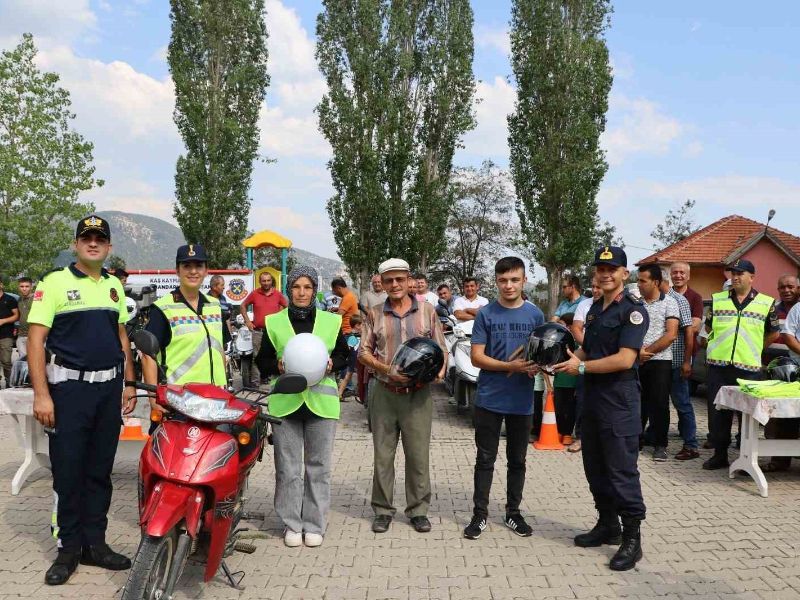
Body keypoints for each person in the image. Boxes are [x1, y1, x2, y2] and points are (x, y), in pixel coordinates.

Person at [27, 214, 136, 585]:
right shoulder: (54, 283)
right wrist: (42, 394)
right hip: (69, 391)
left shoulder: (113, 287)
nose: (93, 244)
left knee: (99, 471)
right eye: (86, 238)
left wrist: (130, 383)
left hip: (108, 392)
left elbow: (122, 336)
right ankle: (68, 549)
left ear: (108, 247)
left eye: (100, 239)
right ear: (76, 244)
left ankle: (96, 544)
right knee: (69, 471)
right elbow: (36, 340)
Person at [554, 246, 649, 572]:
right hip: (592, 401)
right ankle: (607, 525)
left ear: (625, 274)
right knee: (595, 468)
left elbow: (626, 359)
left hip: (619, 403)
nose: (605, 274)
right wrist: (571, 360)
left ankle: (632, 540)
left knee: (621, 471)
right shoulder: (593, 309)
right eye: (600, 269)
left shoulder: (633, 311)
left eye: (612, 269)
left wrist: (581, 369)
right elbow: (586, 348)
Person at [255, 266, 349, 547]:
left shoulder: (331, 322)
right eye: (296, 287)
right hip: (286, 404)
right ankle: (291, 523)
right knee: (288, 467)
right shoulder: (274, 322)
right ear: (289, 289)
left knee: (318, 466)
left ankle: (315, 524)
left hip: (322, 403)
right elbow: (263, 361)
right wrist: (278, 365)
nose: (302, 292)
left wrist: (334, 363)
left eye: (307, 287)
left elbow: (345, 354)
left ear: (314, 290)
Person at [358, 258, 447, 534]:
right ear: (382, 283)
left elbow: (441, 349)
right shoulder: (374, 313)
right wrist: (388, 370)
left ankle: (418, 510)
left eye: (400, 279)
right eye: (389, 280)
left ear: (409, 280)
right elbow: (363, 352)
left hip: (418, 396)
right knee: (383, 456)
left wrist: (439, 372)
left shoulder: (428, 311)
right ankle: (383, 510)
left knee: (418, 455)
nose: (395, 285)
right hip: (385, 393)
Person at [463, 257, 544, 540]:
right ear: (496, 282)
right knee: (485, 459)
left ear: (523, 281)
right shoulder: (486, 314)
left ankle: (513, 513)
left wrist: (538, 365)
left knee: (517, 460)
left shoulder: (535, 316)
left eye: (514, 280)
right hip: (489, 398)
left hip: (522, 401)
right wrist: (510, 366)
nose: (508, 285)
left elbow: (541, 354)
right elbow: (477, 357)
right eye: (503, 280)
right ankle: (479, 515)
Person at [702, 259, 779, 470]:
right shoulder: (717, 300)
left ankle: (746, 458)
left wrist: (755, 348)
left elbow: (773, 333)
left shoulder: (766, 302)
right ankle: (720, 454)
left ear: (752, 277)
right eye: (733, 273)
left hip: (748, 367)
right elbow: (708, 329)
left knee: (746, 415)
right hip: (719, 365)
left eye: (740, 273)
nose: (735, 277)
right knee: (718, 413)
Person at [143, 245, 226, 421]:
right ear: (177, 271)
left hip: (216, 399)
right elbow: (148, 356)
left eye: (199, 266)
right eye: (187, 266)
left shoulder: (215, 306)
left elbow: (221, 351)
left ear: (206, 271)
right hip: (179, 401)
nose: (193, 271)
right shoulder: (163, 308)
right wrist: (153, 399)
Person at [636, 265, 679, 462]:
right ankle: (635, 440)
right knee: (637, 403)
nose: (639, 284)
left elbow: (670, 335)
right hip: (636, 359)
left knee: (659, 404)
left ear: (655, 282)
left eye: (643, 281)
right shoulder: (635, 304)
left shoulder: (670, 303)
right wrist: (637, 353)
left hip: (660, 361)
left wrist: (648, 352)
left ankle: (660, 445)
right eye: (638, 280)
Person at [765, 275, 800, 471]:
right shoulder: (779, 309)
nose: (786, 290)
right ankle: (780, 460)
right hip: (788, 369)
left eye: (791, 287)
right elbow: (787, 336)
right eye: (782, 287)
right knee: (785, 415)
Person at [668, 262, 704, 451]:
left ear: (688, 276)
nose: (678, 275)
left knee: (682, 401)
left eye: (682, 273)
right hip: (664, 357)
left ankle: (691, 441)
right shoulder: (665, 296)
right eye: (675, 272)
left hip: (683, 356)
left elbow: (695, 326)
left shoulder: (694, 298)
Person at [567, 277, 603, 454]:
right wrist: (590, 348)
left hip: (608, 360)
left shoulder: (622, 307)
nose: (596, 290)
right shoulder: (585, 305)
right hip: (585, 358)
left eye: (599, 287)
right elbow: (576, 329)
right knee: (582, 397)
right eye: (593, 287)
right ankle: (580, 437)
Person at [241, 271, 288, 385]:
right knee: (257, 357)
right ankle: (256, 383)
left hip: (274, 332)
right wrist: (248, 322)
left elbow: (287, 308)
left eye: (268, 280)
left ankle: (276, 382)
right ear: (260, 282)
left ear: (271, 281)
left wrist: (282, 321)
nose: (266, 283)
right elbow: (243, 306)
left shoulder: (278, 294)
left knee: (277, 356)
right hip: (258, 331)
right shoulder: (254, 294)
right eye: (264, 281)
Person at [338, 313, 363, 401]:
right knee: (347, 377)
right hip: (352, 361)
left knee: (348, 377)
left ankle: (340, 394)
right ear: (357, 325)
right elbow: (347, 349)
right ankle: (339, 394)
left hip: (356, 360)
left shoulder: (358, 335)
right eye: (362, 324)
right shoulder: (352, 337)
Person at [0, 277, 19, 386]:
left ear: (1, 284)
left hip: (6, 334)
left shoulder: (10, 299)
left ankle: (10, 383)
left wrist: (3, 321)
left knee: (6, 361)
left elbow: (16, 316)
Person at [208, 274, 234, 346]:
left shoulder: (223, 298)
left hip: (223, 336)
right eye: (222, 285)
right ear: (214, 287)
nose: (224, 287)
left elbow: (227, 319)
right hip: (212, 338)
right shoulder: (205, 300)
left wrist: (230, 333)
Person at [14, 277, 34, 359]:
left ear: (31, 287)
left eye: (27, 286)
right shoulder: (19, 300)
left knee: (35, 360)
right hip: (21, 335)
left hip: (34, 335)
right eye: (22, 286)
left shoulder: (37, 299)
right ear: (18, 287)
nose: (24, 289)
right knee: (23, 362)